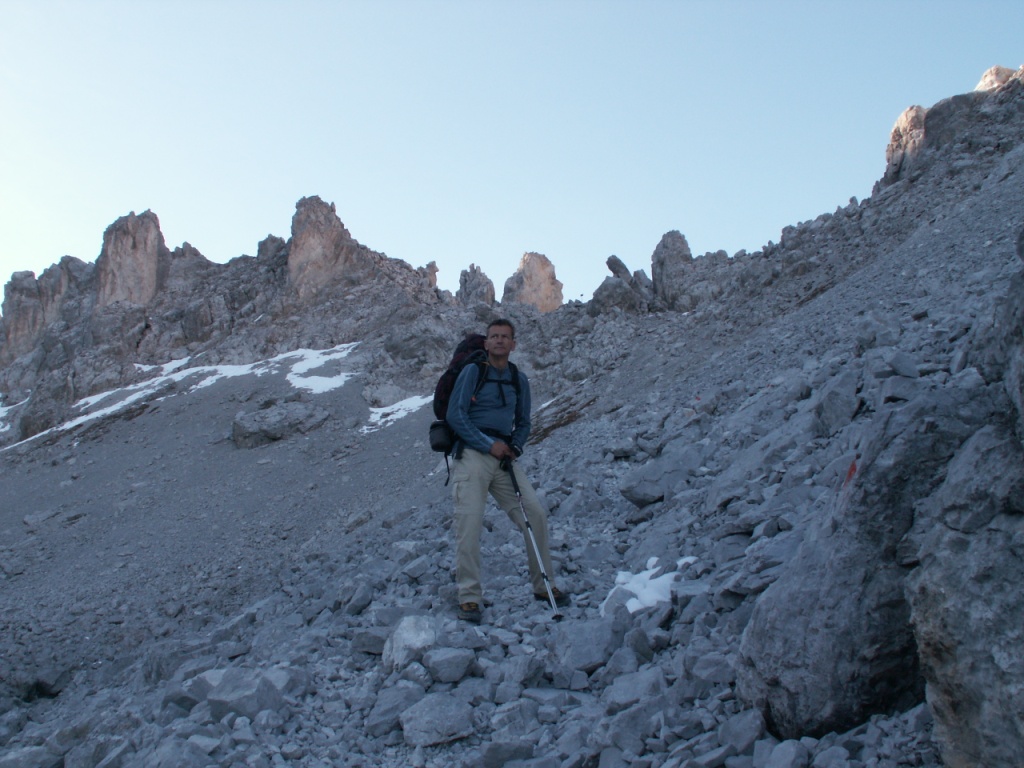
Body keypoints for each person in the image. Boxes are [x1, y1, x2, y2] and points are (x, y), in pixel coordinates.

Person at [445, 319, 569, 623]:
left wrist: (516, 446)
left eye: (505, 337)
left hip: (504, 458)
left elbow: (524, 422)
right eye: (494, 336)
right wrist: (489, 445)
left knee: (534, 513)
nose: (499, 340)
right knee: (469, 524)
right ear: (486, 343)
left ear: (513, 344)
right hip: (472, 455)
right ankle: (469, 597)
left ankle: (544, 586)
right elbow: (455, 415)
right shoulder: (473, 372)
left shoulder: (518, 379)